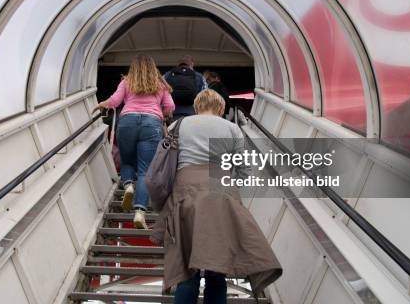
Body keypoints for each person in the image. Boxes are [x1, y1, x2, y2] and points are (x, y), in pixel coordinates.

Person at [151, 89, 282, 303]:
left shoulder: (178, 125)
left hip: (185, 192)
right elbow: (244, 170)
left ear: (196, 108)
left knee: (186, 272)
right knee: (217, 270)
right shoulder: (232, 128)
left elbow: (163, 163)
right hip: (221, 192)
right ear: (221, 109)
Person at [94, 54, 174, 228]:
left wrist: (101, 104)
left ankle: (129, 185)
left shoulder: (127, 82)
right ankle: (139, 212)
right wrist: (165, 114)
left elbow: (114, 101)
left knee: (127, 161)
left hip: (127, 122)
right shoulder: (160, 84)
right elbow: (170, 106)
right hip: (152, 123)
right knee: (145, 170)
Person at [163, 55, 207, 120]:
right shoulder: (199, 76)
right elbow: (206, 95)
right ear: (192, 64)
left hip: (173, 113)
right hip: (193, 113)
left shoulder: (167, 75)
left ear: (178, 64)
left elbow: (160, 92)